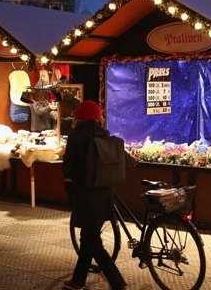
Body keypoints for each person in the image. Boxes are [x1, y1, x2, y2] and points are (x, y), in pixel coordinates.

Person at [62, 100, 127, 290]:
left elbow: (69, 168)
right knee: (89, 237)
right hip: (106, 194)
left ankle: (118, 282)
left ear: (79, 118)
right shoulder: (104, 135)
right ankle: (78, 280)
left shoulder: (77, 137)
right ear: (97, 118)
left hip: (86, 195)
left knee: (92, 241)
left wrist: (69, 191)